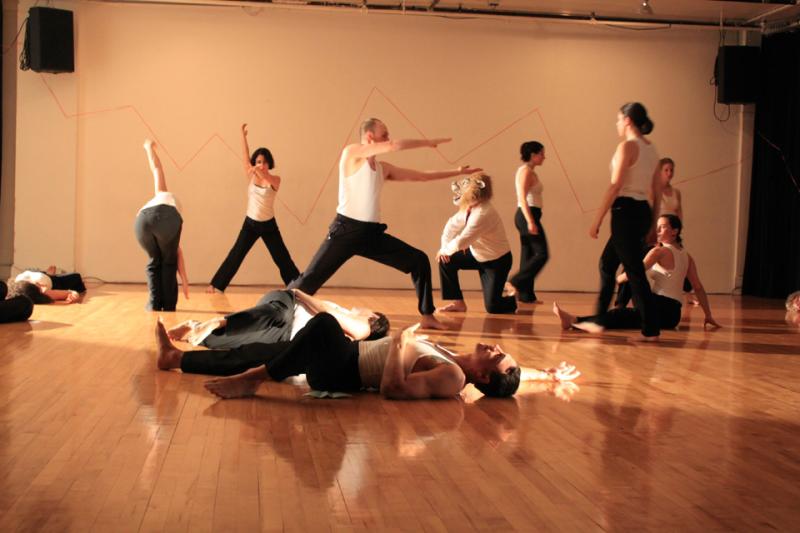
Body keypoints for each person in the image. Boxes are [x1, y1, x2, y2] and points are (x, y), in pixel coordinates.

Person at [288, 118, 480, 330]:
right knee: (308, 282)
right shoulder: (351, 154)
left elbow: (421, 177)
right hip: (345, 231)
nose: (388, 138)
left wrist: (457, 172)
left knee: (419, 261)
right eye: (384, 134)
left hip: (371, 235)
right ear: (370, 137)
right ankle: (274, 309)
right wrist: (427, 142)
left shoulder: (383, 169)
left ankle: (427, 315)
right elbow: (393, 145)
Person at [155, 313, 580, 400]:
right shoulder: (457, 358)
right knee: (266, 350)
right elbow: (514, 378)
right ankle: (175, 359)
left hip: (344, 370)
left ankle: (254, 380)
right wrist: (547, 375)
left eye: (499, 358)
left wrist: (398, 343)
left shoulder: (452, 377)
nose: (499, 349)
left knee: (323, 324)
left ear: (484, 378)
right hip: (345, 356)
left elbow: (394, 389)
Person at [555, 214, 721, 333]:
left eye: (663, 227)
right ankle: (577, 320)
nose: (658, 230)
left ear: (674, 231)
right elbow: (698, 287)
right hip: (673, 315)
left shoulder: (659, 252)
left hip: (659, 306)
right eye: (657, 227)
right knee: (624, 317)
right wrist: (708, 315)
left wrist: (615, 279)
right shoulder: (687, 256)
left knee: (623, 303)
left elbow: (632, 274)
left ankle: (575, 320)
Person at [589, 103, 663, 341]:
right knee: (607, 263)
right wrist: (652, 224)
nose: (617, 124)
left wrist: (597, 219)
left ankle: (650, 328)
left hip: (624, 211)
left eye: (619, 119)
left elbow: (615, 186)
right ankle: (599, 319)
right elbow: (656, 192)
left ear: (628, 120)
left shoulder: (628, 146)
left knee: (634, 270)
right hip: (642, 212)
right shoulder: (651, 149)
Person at [207, 124, 299, 293]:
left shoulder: (275, 179)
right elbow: (245, 155)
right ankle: (216, 285)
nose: (261, 165)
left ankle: (298, 287)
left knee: (281, 257)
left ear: (269, 163)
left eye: (264, 162)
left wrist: (258, 170)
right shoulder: (251, 176)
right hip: (250, 224)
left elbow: (266, 178)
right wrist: (243, 136)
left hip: (269, 225)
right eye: (258, 162)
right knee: (236, 254)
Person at [166, 288, 389, 350]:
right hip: (286, 305)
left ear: (373, 317)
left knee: (235, 343)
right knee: (278, 314)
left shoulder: (363, 327)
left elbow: (325, 312)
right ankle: (218, 321)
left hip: (284, 334)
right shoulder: (354, 322)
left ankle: (193, 328)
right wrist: (295, 294)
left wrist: (300, 292)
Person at [436, 174, 516, 314]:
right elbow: (451, 226)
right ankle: (458, 303)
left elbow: (461, 242)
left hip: (496, 262)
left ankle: (515, 297)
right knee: (445, 261)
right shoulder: (471, 207)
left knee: (493, 307)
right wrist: (443, 249)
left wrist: (445, 250)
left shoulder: (483, 213)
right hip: (477, 255)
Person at [134, 140, 189, 311]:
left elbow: (156, 168)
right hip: (167, 219)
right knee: (169, 262)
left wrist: (148, 148)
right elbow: (178, 252)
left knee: (154, 261)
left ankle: (154, 304)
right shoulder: (169, 202)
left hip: (141, 221)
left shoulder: (159, 195)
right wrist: (185, 280)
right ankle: (169, 305)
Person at [506, 141, 549, 303]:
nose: (544, 157)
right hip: (527, 215)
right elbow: (522, 198)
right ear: (533, 155)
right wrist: (530, 221)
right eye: (541, 154)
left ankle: (526, 295)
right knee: (542, 254)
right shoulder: (525, 172)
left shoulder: (530, 171)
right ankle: (514, 281)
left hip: (531, 215)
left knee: (528, 255)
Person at [12, 266, 86, 303]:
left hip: (41, 274)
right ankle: (50, 275)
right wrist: (74, 295)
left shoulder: (18, 284)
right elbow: (71, 293)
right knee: (76, 276)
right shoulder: (44, 291)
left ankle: (49, 274)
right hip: (54, 281)